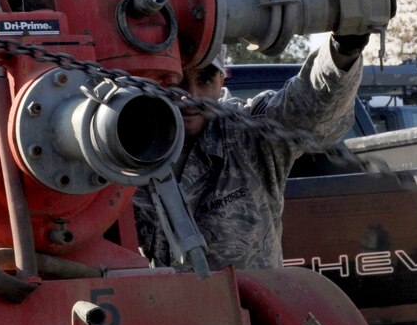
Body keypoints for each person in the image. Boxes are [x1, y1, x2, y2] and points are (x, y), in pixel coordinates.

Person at [133, 33, 369, 271]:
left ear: (222, 80)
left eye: (204, 81)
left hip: (248, 307)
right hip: (158, 306)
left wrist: (344, 48)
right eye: (176, 82)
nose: (191, 96)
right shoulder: (121, 148)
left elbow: (308, 107)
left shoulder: (252, 136)